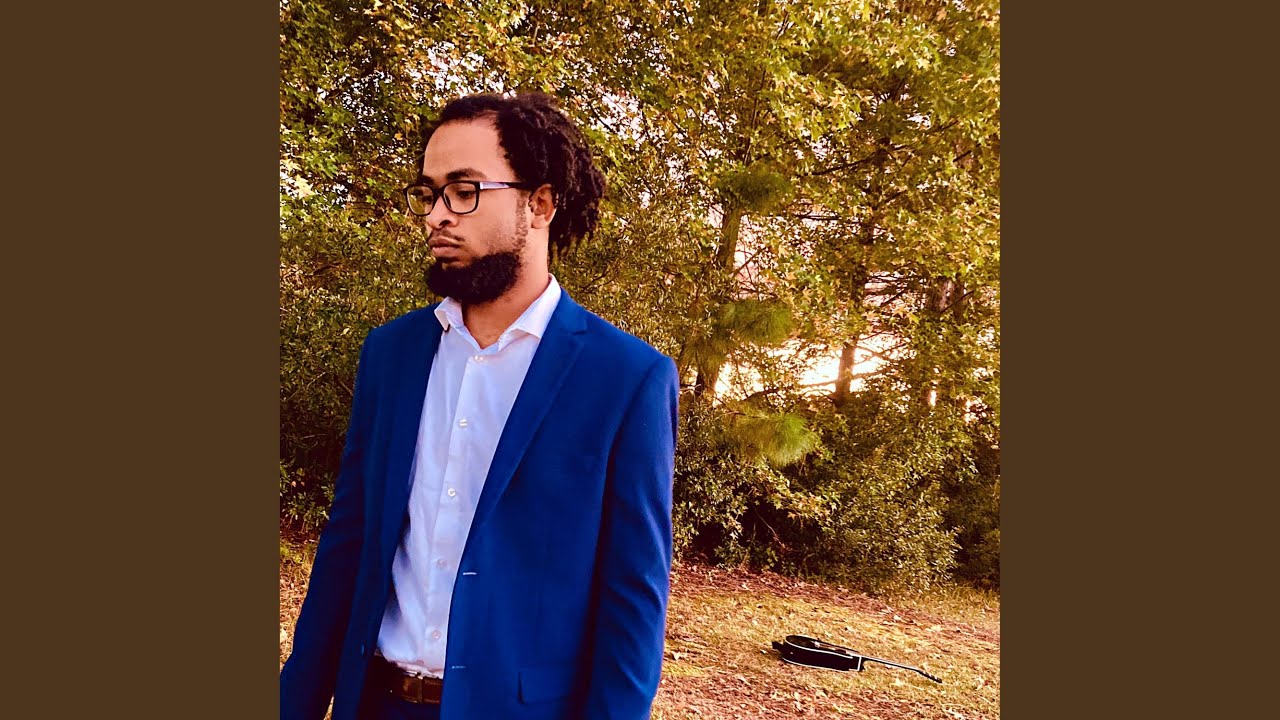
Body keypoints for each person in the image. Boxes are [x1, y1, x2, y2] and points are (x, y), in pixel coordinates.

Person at [280, 92, 680, 720]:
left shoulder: (627, 378)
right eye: (429, 193)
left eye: (464, 191)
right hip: (376, 703)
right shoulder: (392, 354)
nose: (438, 215)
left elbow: (633, 595)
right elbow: (348, 543)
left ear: (539, 204)